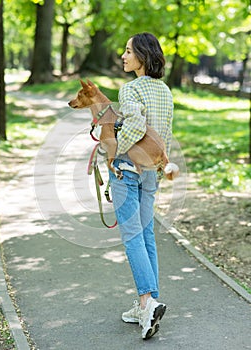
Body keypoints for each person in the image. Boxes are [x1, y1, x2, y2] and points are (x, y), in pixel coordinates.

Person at [109, 32, 174, 340]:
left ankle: (147, 303)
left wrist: (115, 151)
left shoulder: (130, 88)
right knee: (146, 234)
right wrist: (161, 166)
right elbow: (165, 134)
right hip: (150, 170)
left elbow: (133, 125)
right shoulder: (165, 91)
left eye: (128, 51)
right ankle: (146, 304)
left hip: (127, 168)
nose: (123, 56)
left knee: (133, 235)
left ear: (143, 57)